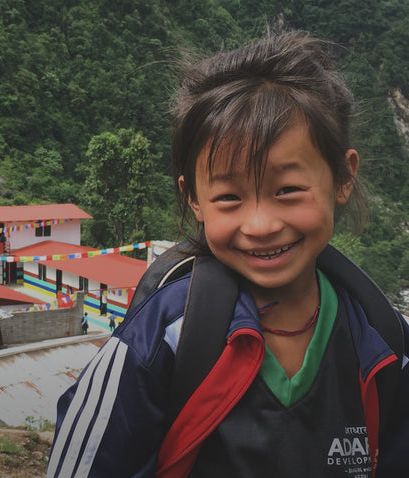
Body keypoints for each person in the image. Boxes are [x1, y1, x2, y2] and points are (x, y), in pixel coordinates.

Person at [47, 31, 409, 477]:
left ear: (342, 177)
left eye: (288, 190)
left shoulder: (383, 339)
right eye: (229, 198)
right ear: (194, 198)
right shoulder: (163, 338)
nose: (260, 225)